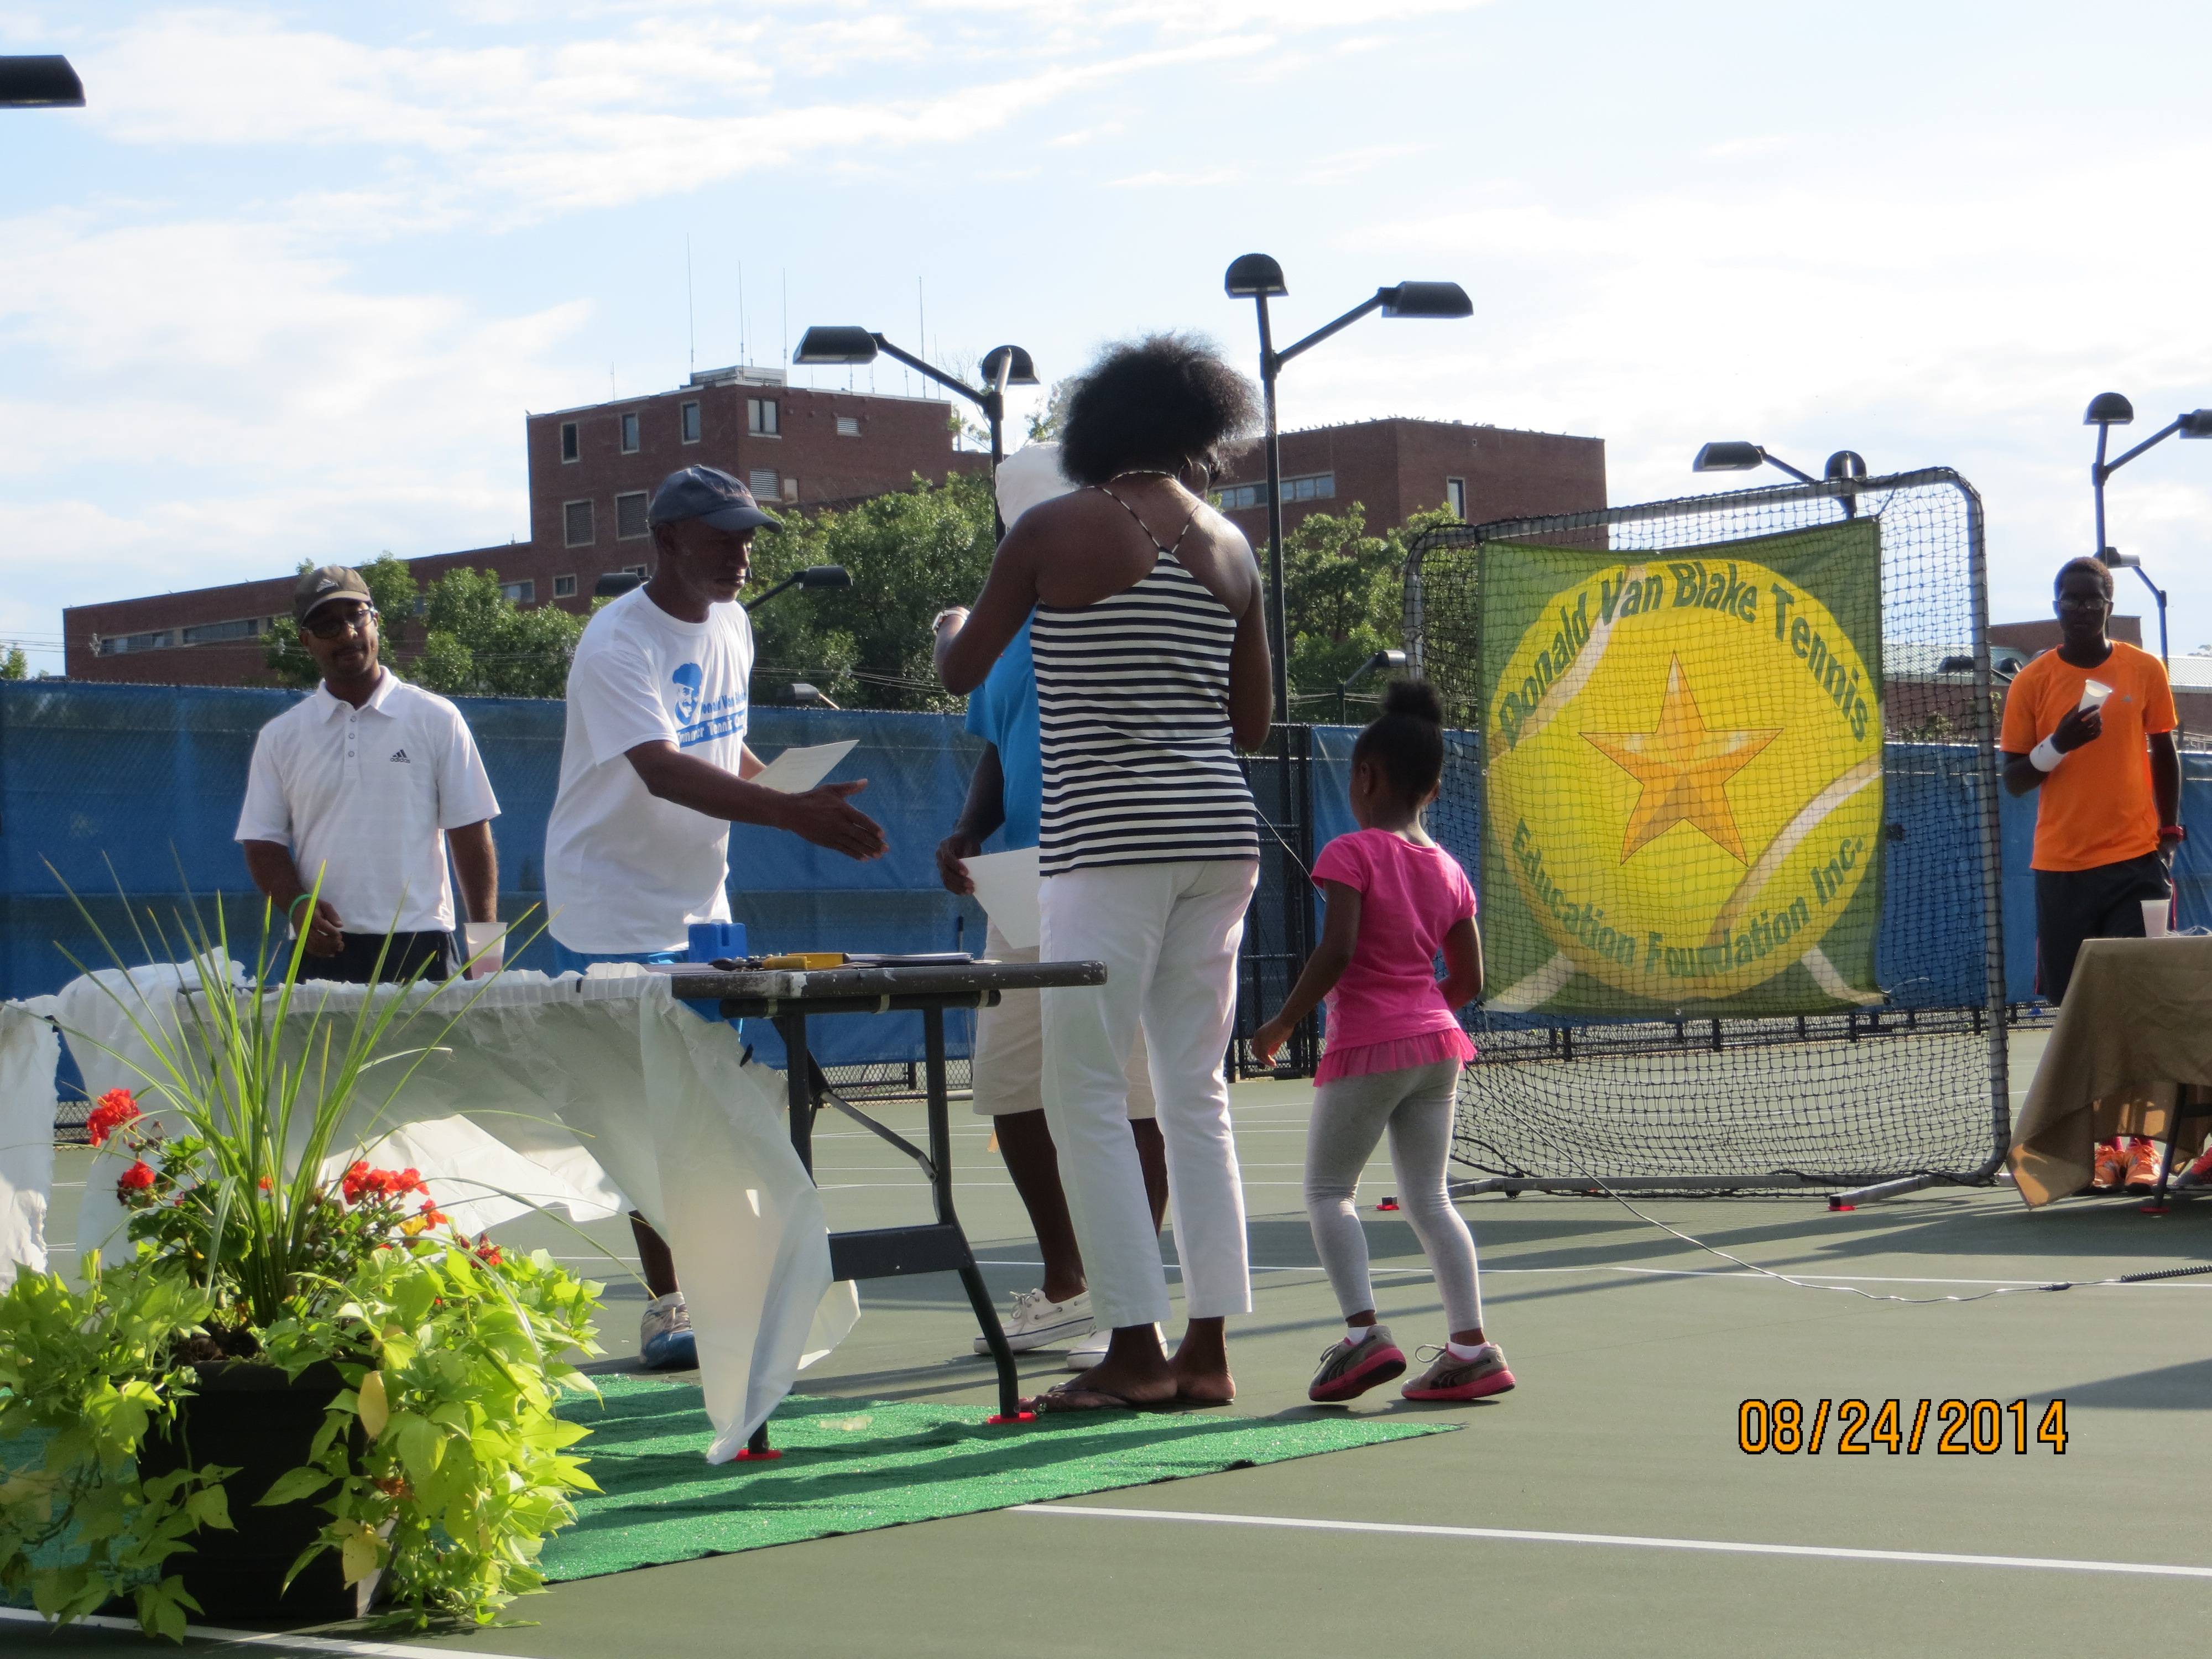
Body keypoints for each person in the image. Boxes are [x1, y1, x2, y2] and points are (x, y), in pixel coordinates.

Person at [936, 334, 1268, 1411]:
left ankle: (1134, 1348)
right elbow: (1251, 724)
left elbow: (963, 669)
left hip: (1106, 844)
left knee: (1080, 1088)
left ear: (1098, 428)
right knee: (1192, 1091)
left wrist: (961, 623)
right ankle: (1207, 1351)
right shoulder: (1231, 547)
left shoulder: (1053, 528)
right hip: (1219, 836)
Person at [545, 464, 887, 1367]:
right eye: (723, 538)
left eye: (747, 538)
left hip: (700, 905)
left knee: (709, 1102)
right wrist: (790, 814)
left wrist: (791, 792)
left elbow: (718, 744)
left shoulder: (734, 622)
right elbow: (660, 767)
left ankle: (725, 1279)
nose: (741, 555)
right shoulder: (616, 642)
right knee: (646, 1111)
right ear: (666, 541)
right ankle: (671, 1303)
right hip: (611, 906)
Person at [936, 442, 1169, 1367]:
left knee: (1131, 1089)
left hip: (1112, 870)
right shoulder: (1004, 628)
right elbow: (999, 744)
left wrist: (952, 630)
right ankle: (1071, 1283)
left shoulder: (1121, 607)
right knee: (1010, 1085)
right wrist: (967, 831)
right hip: (1023, 882)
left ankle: (1127, 1299)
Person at [1251, 682, 1510, 1402]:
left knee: (1328, 1192)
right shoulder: (1451, 870)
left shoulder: (1351, 852)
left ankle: (1363, 1336)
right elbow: (1469, 979)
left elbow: (1337, 951)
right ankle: (1471, 1347)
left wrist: (1283, 1022)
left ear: (1364, 777)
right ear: (1433, 790)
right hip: (1439, 1048)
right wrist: (1421, 1011)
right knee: (1431, 1200)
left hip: (1368, 1045)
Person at [2000, 555, 2182, 1196]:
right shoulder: (2032, 682)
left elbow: (2164, 748)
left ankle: (2143, 1149)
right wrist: (2059, 745)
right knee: (2080, 1013)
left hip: (2135, 866)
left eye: (2090, 598)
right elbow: (2015, 777)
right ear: (2055, 605)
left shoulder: (2143, 669)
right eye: (2067, 598)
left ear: (2108, 605)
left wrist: (2167, 835)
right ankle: (2102, 1150)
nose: (2078, 607)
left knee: (2141, 1006)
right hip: (2063, 870)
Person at [237, 565, 499, 984]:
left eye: (355, 616)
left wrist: (486, 956)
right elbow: (262, 842)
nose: (347, 634)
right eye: (327, 626)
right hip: (323, 949)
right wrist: (299, 907)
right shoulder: (281, 737)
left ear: (375, 620)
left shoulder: (436, 718)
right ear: (306, 641)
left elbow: (469, 832)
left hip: (422, 946)